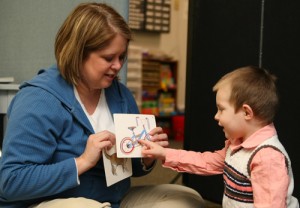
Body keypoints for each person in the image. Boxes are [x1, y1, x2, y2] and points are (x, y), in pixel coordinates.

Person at [0, 2, 204, 208]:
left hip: (111, 199)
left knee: (185, 198)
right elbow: (11, 182)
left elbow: (131, 168)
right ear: (78, 53)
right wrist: (82, 162)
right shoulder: (39, 100)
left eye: (121, 57)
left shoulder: (121, 95)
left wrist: (148, 157)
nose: (117, 66)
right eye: (108, 58)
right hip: (47, 202)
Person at [140, 66, 299, 208]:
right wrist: (164, 153)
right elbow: (205, 162)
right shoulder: (237, 145)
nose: (216, 116)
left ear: (246, 112)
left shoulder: (268, 158)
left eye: (221, 109)